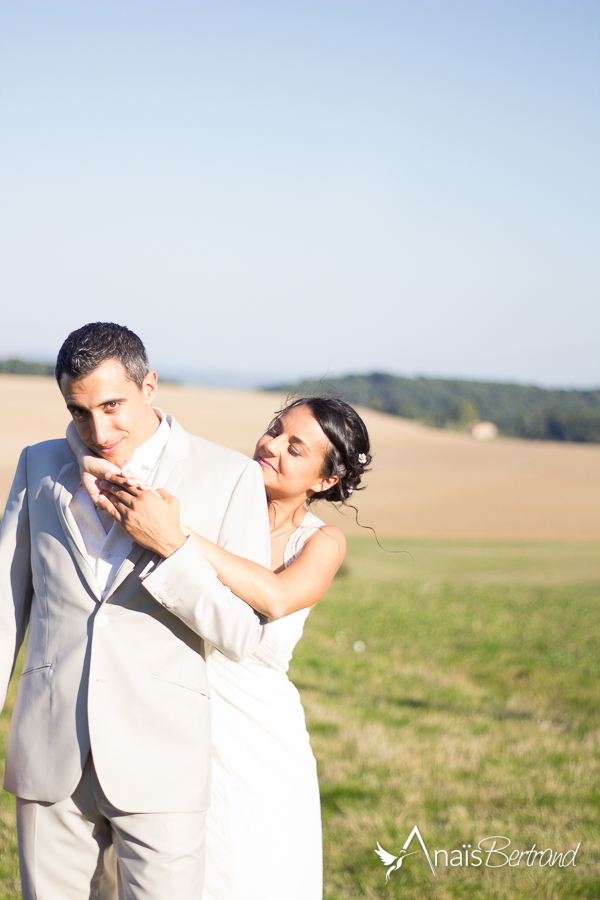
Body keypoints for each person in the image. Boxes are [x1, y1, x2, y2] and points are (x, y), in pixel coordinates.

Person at [0, 322, 271, 900]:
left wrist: (172, 548)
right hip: (50, 753)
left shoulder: (229, 477)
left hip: (162, 757)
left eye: (113, 405)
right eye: (79, 412)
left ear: (150, 384)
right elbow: (4, 605)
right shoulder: (37, 465)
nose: (99, 431)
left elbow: (243, 632)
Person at [71, 394, 372, 900]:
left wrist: (175, 537)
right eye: (275, 429)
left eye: (295, 448)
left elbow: (275, 597)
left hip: (256, 739)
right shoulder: (213, 503)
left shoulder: (321, 542)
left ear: (324, 481)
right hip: (168, 714)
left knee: (247, 872)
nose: (271, 446)